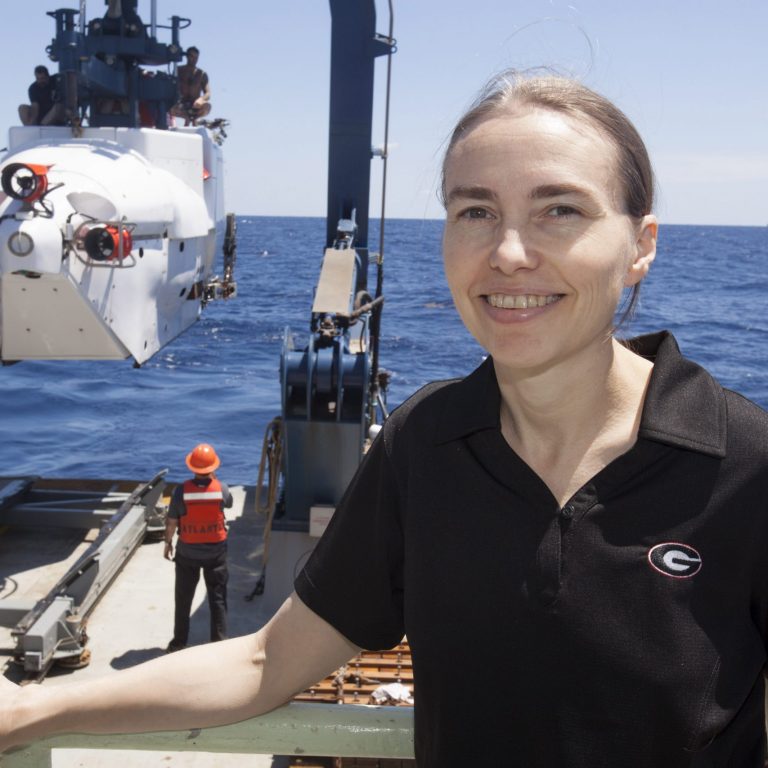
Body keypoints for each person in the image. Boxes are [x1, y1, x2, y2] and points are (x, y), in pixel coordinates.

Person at [2, 71, 768, 767]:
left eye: (559, 210)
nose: (506, 253)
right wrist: (33, 708)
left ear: (641, 246)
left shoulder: (744, 466)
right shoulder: (427, 445)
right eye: (475, 210)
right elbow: (266, 663)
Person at [164, 443, 233, 653]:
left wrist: (167, 543)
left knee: (183, 599)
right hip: (216, 554)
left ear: (192, 468)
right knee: (218, 599)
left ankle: (178, 643)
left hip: (187, 553)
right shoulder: (221, 489)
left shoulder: (181, 491)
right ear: (213, 468)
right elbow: (228, 504)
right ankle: (219, 643)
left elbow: (172, 521)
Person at [170, 46, 212, 126]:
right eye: (192, 56)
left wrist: (201, 99)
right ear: (187, 56)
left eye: (196, 57)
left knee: (207, 106)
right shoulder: (179, 71)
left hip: (196, 105)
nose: (194, 59)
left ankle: (194, 119)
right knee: (170, 107)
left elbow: (208, 93)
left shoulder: (202, 74)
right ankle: (187, 118)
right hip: (181, 105)